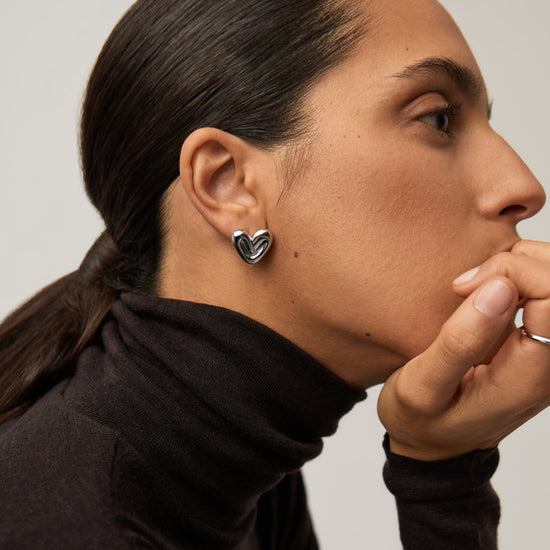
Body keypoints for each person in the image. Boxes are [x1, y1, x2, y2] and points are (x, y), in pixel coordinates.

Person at [0, 0, 548, 548]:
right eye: (438, 119)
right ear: (228, 184)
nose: (524, 188)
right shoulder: (76, 525)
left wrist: (444, 469)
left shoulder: (237, 476)